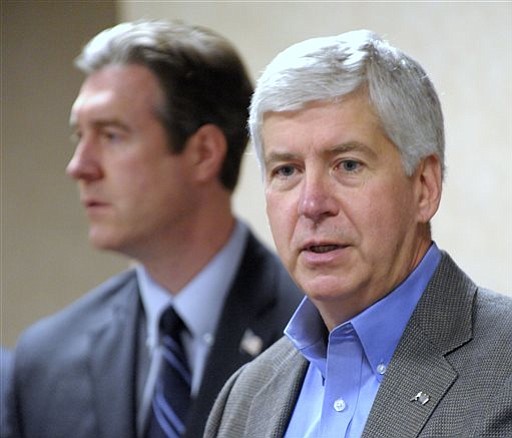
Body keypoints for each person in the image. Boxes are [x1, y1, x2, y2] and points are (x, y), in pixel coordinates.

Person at [205, 29, 512, 437]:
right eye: (287, 170)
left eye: (347, 165)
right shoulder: (244, 398)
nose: (311, 204)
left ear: (424, 187)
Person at [8, 20, 302, 438]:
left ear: (203, 153)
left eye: (111, 135)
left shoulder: (318, 330)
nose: (79, 166)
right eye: (80, 136)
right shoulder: (46, 361)